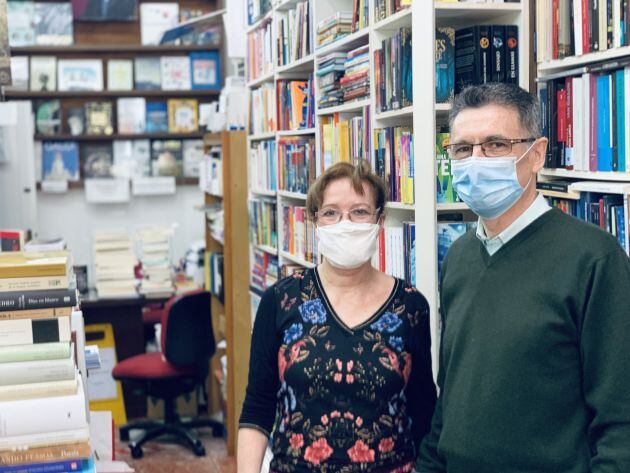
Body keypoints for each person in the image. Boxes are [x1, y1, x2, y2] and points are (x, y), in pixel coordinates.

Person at [418, 82, 630, 472]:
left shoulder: (595, 259)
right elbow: (451, 395)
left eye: (496, 145)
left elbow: (621, 421)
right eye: (463, 149)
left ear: (537, 155)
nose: (476, 160)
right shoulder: (459, 257)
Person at [238, 161, 437, 472]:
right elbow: (257, 407)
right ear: (315, 222)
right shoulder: (280, 301)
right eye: (331, 212)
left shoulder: (410, 307)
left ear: (379, 220)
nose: (345, 222)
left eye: (359, 211)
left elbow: (423, 412)